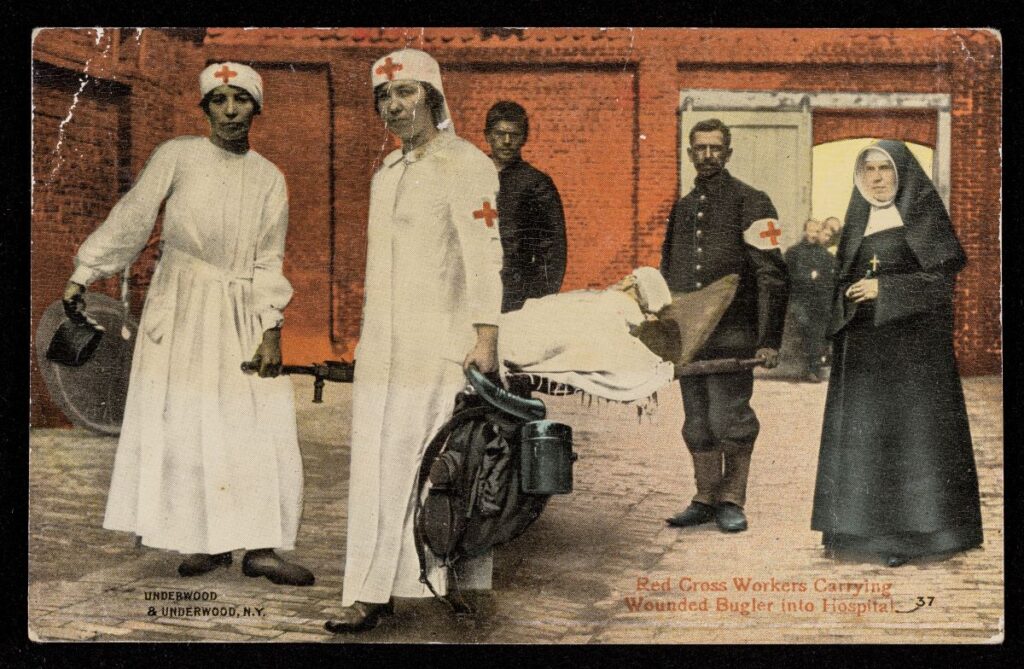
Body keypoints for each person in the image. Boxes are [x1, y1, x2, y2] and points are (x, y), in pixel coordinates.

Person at [61, 63, 314, 586]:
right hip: (180, 305)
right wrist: (85, 272)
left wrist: (271, 327)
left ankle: (262, 546)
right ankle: (206, 540)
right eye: (217, 101)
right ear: (204, 109)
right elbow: (133, 217)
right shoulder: (177, 156)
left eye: (240, 100)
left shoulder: (269, 177)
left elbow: (269, 259)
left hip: (241, 308)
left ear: (256, 108)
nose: (229, 111)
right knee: (188, 421)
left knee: (258, 421)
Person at [326, 49, 504, 633]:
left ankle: (444, 583)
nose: (394, 106)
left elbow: (484, 253)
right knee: (376, 466)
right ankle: (373, 589)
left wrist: (485, 335)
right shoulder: (387, 175)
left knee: (435, 462)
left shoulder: (467, 163)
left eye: (406, 93)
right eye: (383, 96)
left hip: (439, 340)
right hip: (385, 345)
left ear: (433, 95)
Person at [810, 141, 983, 567]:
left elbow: (940, 284)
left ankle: (914, 537)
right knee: (864, 439)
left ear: (902, 173)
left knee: (911, 441)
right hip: (864, 352)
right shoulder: (856, 220)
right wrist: (848, 298)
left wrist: (885, 289)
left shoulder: (924, 215)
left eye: (884, 169)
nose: (876, 177)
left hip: (914, 357)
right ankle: (857, 532)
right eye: (867, 169)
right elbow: (842, 279)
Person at [661, 118, 789, 533]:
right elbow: (670, 275)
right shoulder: (682, 209)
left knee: (730, 419)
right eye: (701, 148)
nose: (709, 155)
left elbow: (773, 275)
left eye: (717, 148)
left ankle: (732, 499)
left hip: (734, 335)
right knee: (696, 421)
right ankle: (704, 497)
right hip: (689, 339)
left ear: (728, 153)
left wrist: (768, 339)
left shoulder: (754, 202)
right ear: (691, 153)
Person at [499, 266, 675, 402]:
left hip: (514, 333)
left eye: (627, 278)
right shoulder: (616, 309)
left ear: (631, 283)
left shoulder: (611, 304)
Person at [484, 101, 567, 313]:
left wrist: (539, 303)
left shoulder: (536, 184)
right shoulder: (470, 176)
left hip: (516, 294)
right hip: (474, 287)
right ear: (487, 135)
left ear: (524, 138)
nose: (506, 141)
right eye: (499, 133)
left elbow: (553, 250)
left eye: (514, 135)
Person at [783, 219, 837, 381]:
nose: (814, 235)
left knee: (818, 330)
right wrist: (807, 277)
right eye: (811, 231)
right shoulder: (793, 252)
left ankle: (813, 369)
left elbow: (830, 277)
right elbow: (787, 276)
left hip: (819, 301)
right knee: (805, 325)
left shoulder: (825, 255)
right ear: (805, 231)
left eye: (817, 231)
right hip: (799, 300)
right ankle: (804, 367)